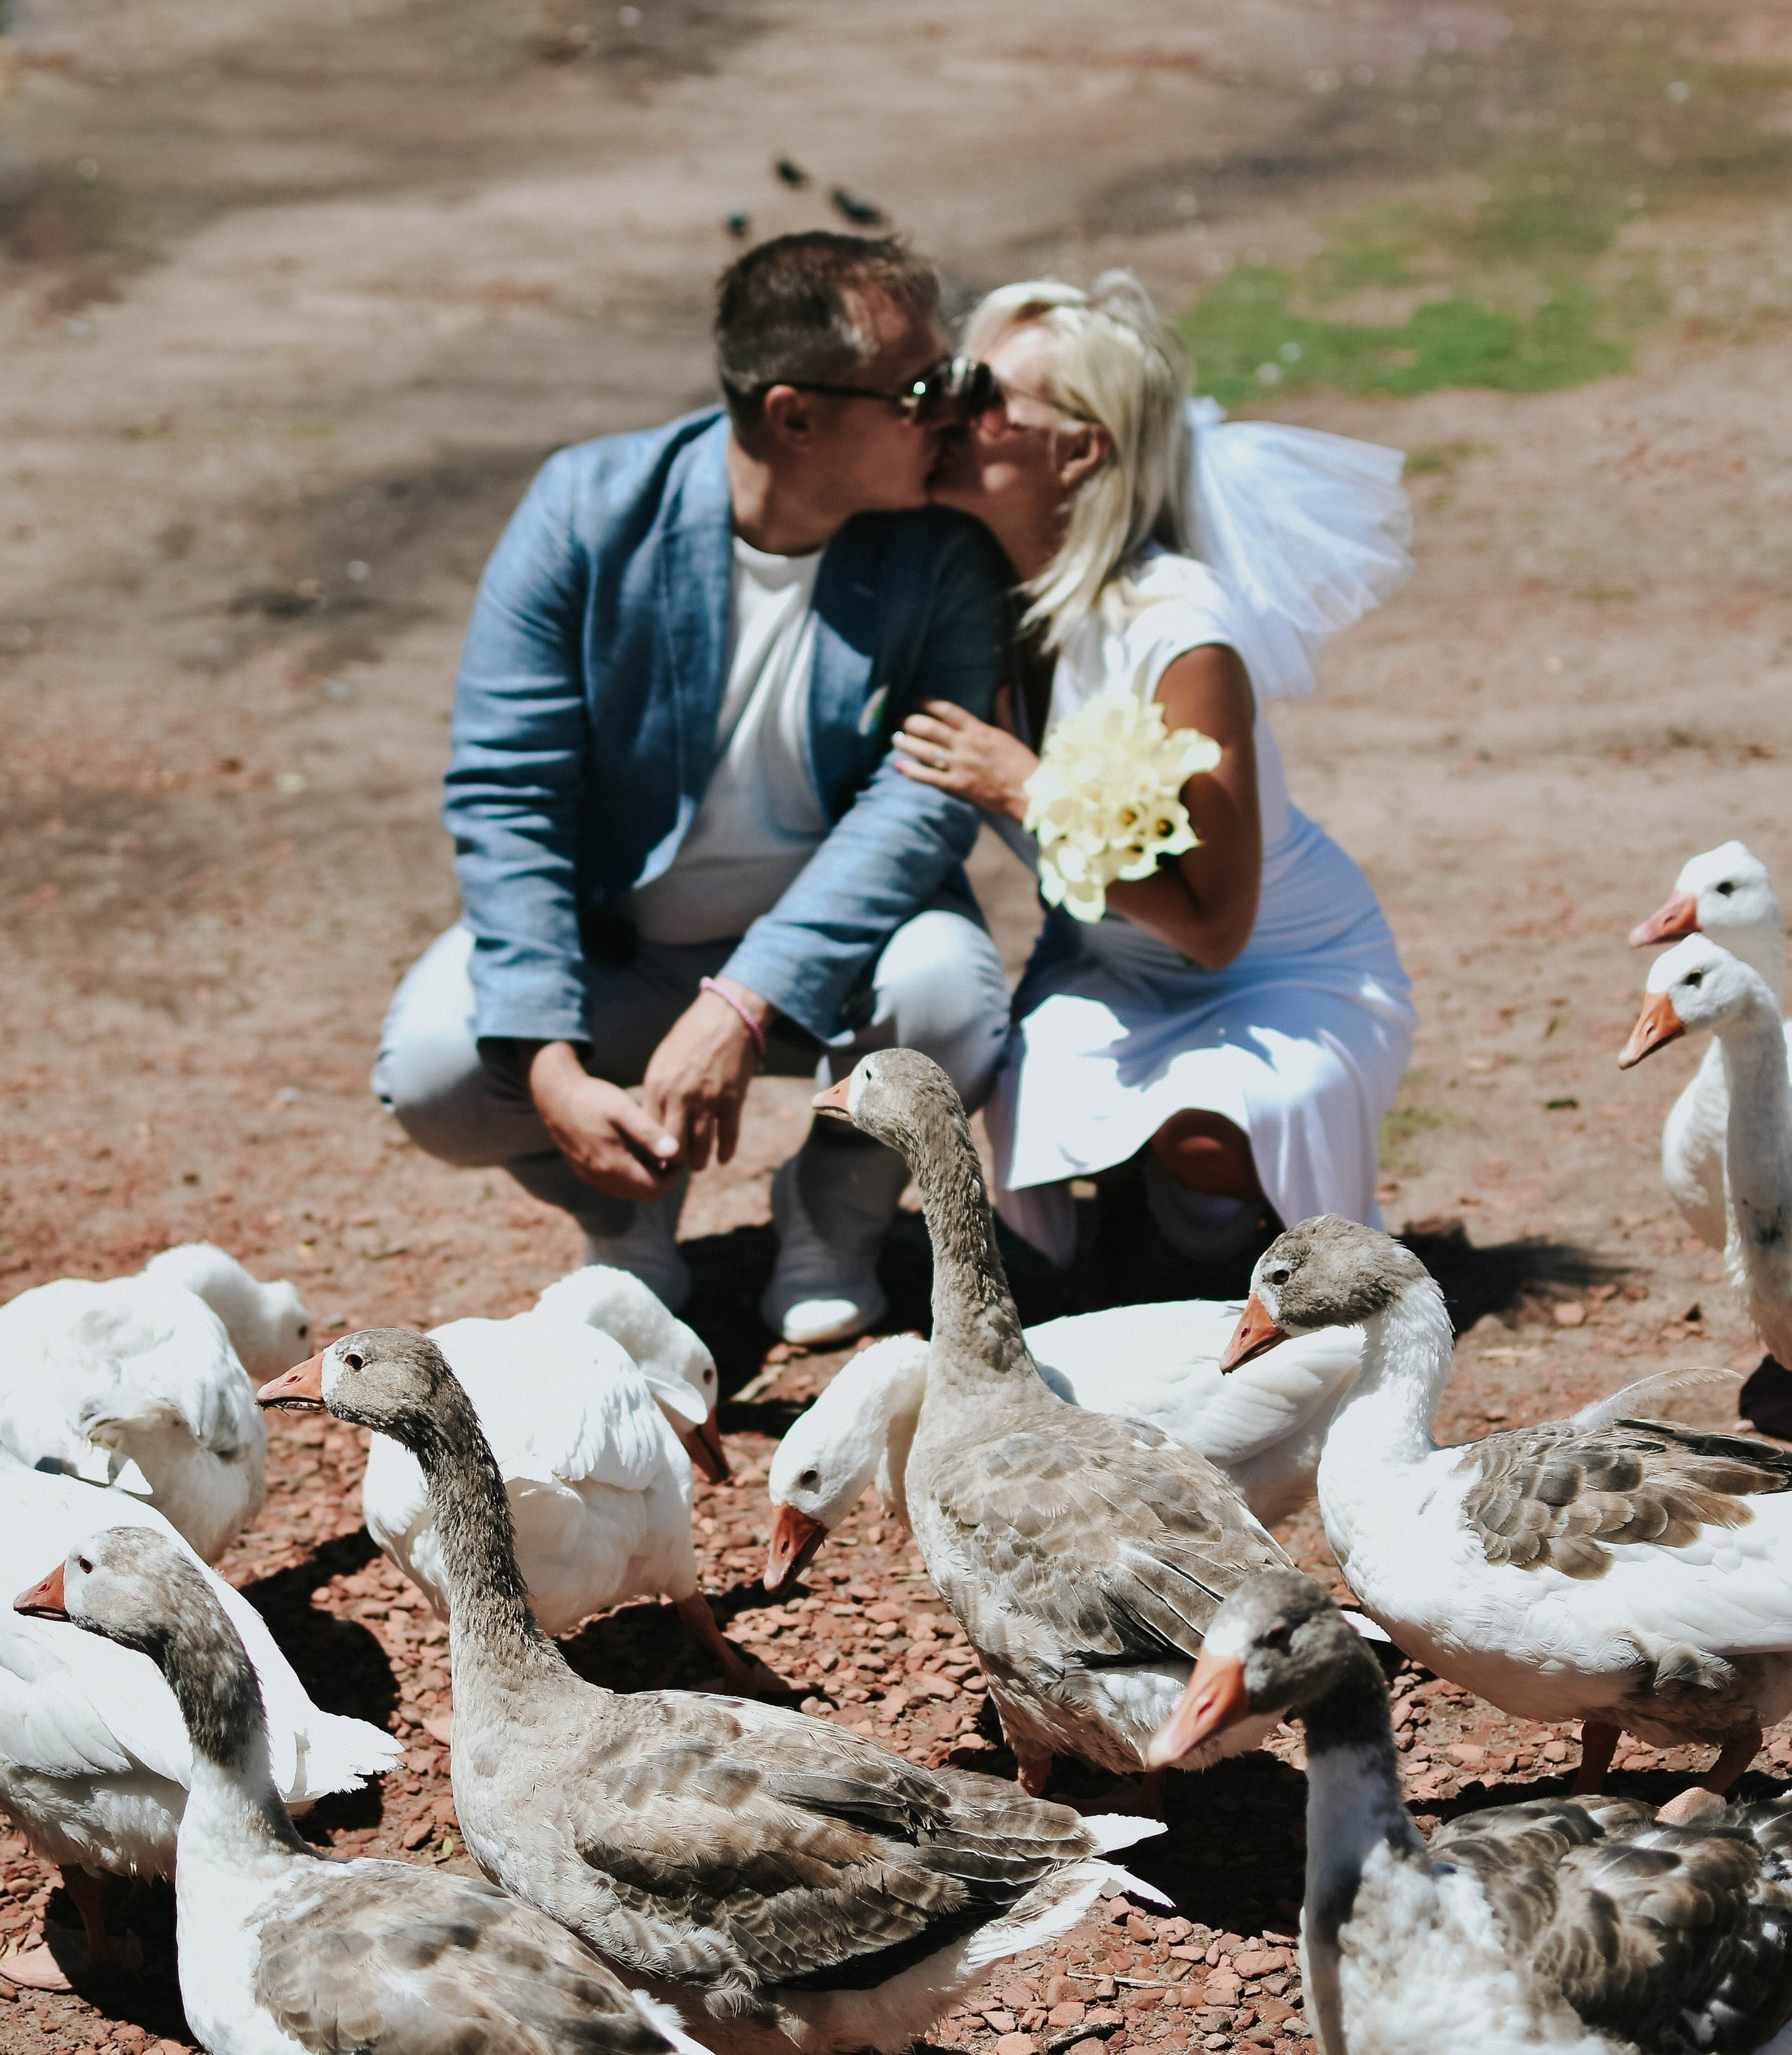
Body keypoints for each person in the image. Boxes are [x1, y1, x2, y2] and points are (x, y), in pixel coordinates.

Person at [374, 232, 1016, 1344]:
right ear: (794, 415)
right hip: (623, 948)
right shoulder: (586, 509)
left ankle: (835, 1207)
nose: (950, 412)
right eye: (920, 391)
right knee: (435, 1073)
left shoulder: (942, 551)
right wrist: (551, 1067)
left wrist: (747, 994)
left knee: (951, 1006)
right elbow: (506, 790)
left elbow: (924, 800)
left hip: (837, 949)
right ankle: (625, 1200)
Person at [890, 270, 1416, 1283]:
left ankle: (1223, 1246)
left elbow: (1218, 928)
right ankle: (1149, 1222)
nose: (953, 415)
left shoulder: (1180, 637)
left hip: (1281, 974)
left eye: (988, 396)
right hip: (1115, 966)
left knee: (1213, 1134)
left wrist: (1027, 790)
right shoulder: (989, 597)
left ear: (1080, 447)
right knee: (1044, 1085)